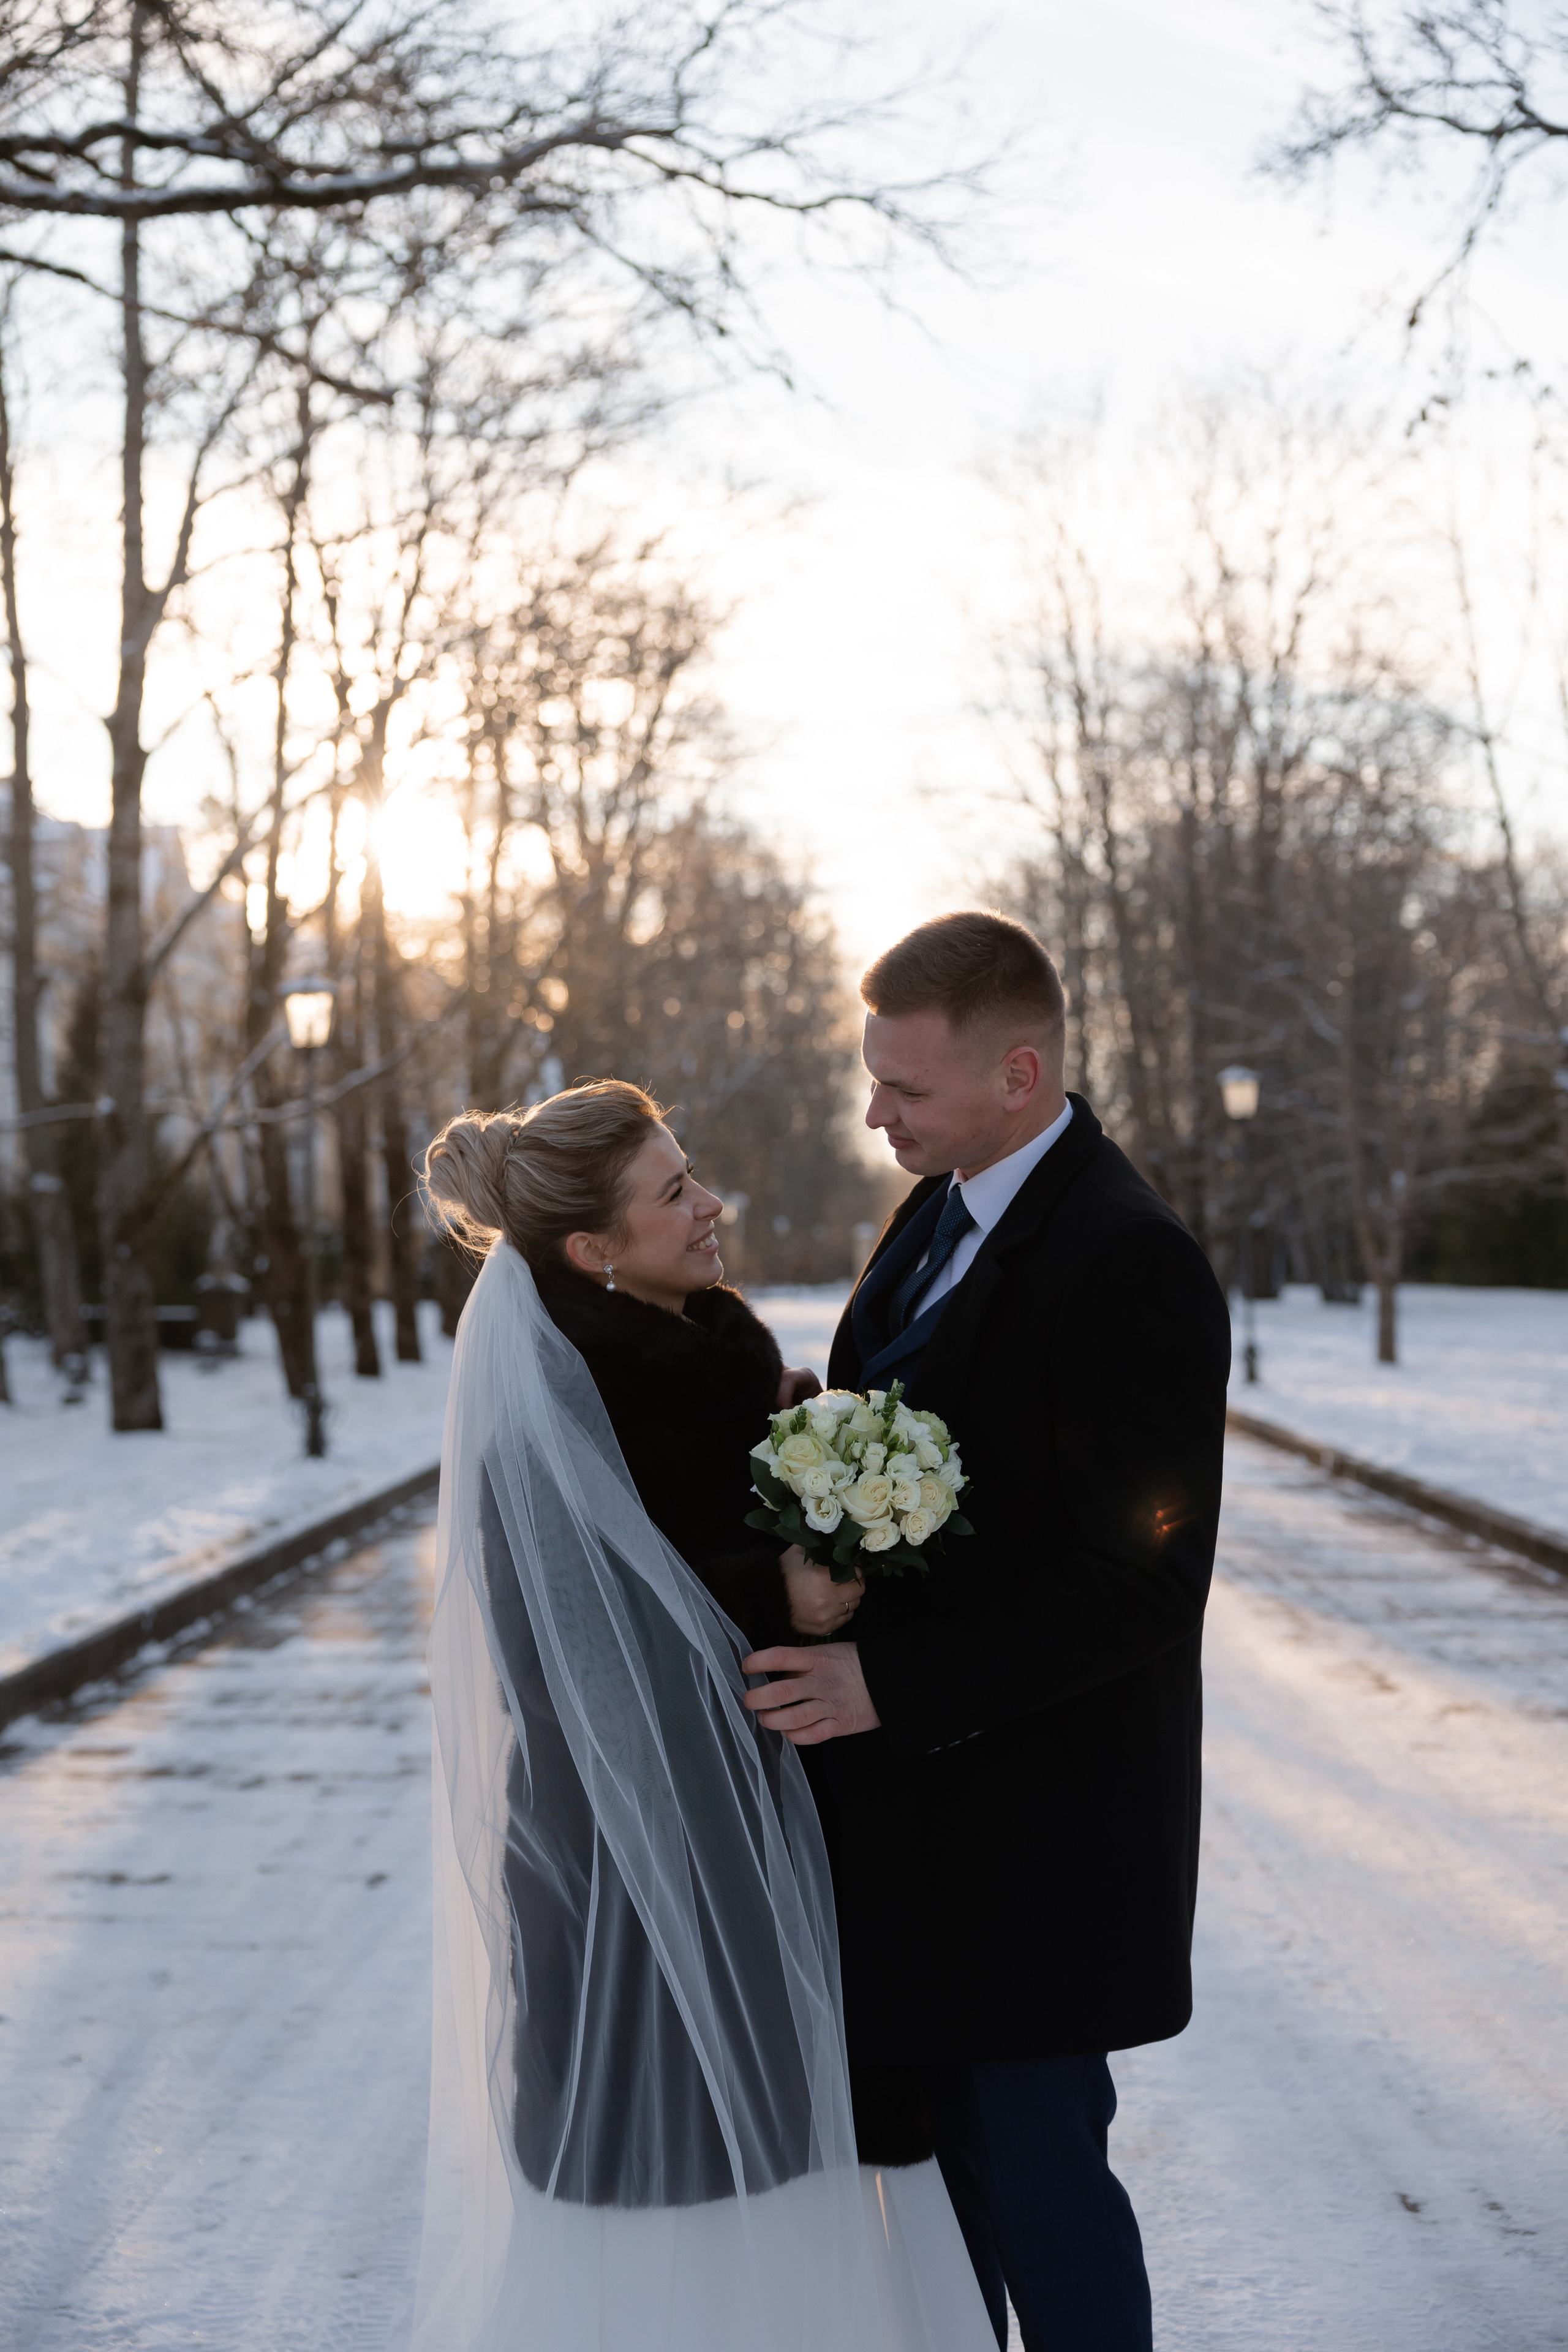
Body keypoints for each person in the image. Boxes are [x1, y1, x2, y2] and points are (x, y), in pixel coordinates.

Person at [410, 1079, 994, 2352]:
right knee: (682, 2226)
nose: (709, 1203)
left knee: (802, 2199)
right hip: (639, 1896)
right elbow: (588, 1669)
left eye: (692, 1173)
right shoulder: (552, 1424)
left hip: (776, 1872)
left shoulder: (719, 1371)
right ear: (591, 1251)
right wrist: (774, 1592)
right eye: (671, 1192)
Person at [742, 911, 1232, 2352]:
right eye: (871, 1079)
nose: (873, 1112)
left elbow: (1143, 1580)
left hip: (1040, 1837)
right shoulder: (934, 1208)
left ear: (1018, 1073)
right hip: (919, 1825)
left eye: (904, 1088)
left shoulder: (1125, 1259)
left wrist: (882, 1680)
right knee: (947, 2215)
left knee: (1038, 2195)